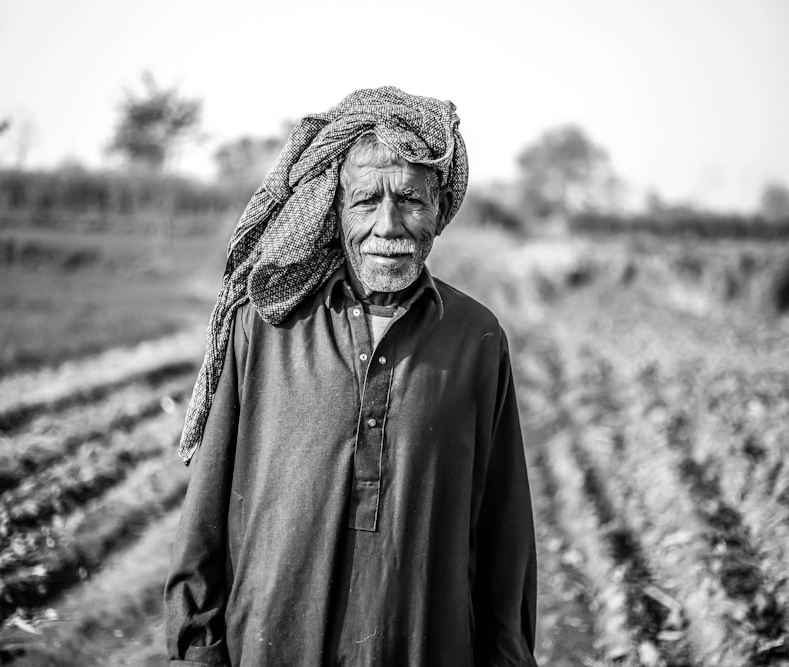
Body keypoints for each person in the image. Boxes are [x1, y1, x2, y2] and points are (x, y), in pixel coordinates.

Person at [164, 86, 537, 666]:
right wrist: (197, 651)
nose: (389, 225)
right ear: (335, 211)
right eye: (366, 201)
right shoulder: (265, 327)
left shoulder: (477, 339)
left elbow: (503, 532)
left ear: (439, 211)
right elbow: (207, 518)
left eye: (411, 200)